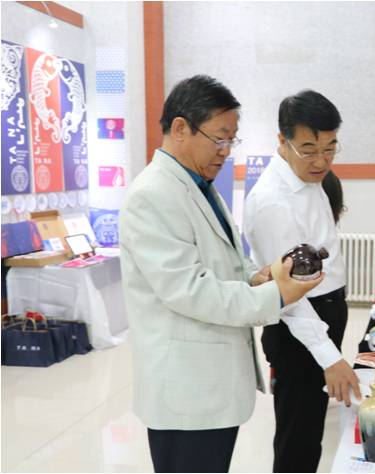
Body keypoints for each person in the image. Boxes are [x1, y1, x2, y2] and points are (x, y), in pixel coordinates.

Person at [119, 75, 323, 473]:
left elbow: (226, 260)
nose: (226, 151)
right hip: (186, 390)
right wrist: (277, 295)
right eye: (219, 138)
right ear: (181, 128)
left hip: (209, 385)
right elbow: (188, 290)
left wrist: (258, 277)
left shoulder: (197, 185)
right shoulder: (153, 194)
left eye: (232, 139)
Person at [244, 90, 361, 472]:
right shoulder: (273, 202)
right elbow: (289, 296)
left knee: (309, 431)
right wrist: (329, 357)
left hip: (323, 314)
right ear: (282, 140)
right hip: (300, 328)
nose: (321, 161)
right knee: (298, 438)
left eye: (330, 148)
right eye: (309, 150)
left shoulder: (312, 180)